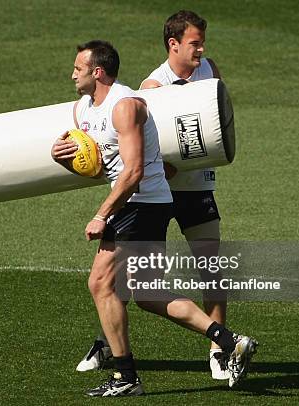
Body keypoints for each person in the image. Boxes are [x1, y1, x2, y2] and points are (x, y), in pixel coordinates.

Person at [52, 40, 256, 396]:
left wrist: (101, 214)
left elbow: (132, 173)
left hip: (142, 204)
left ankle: (125, 377)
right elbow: (103, 164)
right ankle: (229, 340)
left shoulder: (125, 105)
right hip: (137, 203)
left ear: (97, 72)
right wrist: (64, 157)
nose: (72, 74)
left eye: (78, 69)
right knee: (146, 292)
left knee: (101, 284)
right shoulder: (87, 108)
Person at [76, 10, 232, 382]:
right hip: (158, 193)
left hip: (198, 189)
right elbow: (143, 151)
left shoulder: (210, 69)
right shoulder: (152, 88)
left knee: (211, 270)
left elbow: (220, 121)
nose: (201, 49)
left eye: (201, 42)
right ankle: (105, 343)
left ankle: (219, 350)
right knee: (129, 280)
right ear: (173, 44)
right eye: (194, 42)